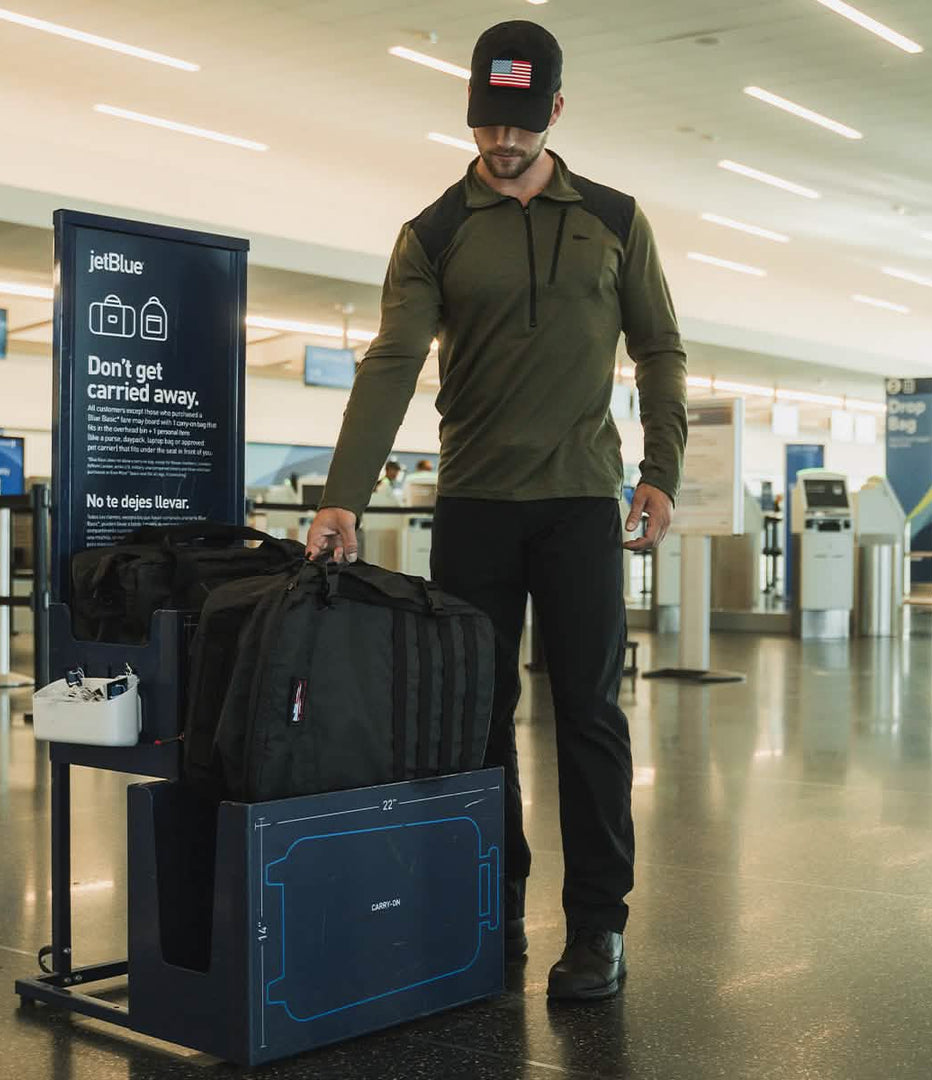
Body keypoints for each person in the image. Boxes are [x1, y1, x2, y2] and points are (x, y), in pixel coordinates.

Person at [306, 19, 687, 1002]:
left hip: (575, 506)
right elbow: (392, 360)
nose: (501, 143)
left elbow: (659, 350)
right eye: (485, 123)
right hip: (472, 502)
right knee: (475, 713)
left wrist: (661, 469)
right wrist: (343, 494)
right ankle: (493, 901)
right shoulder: (436, 232)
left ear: (555, 110)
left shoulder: (612, 218)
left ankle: (598, 926)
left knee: (590, 715)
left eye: (519, 124)